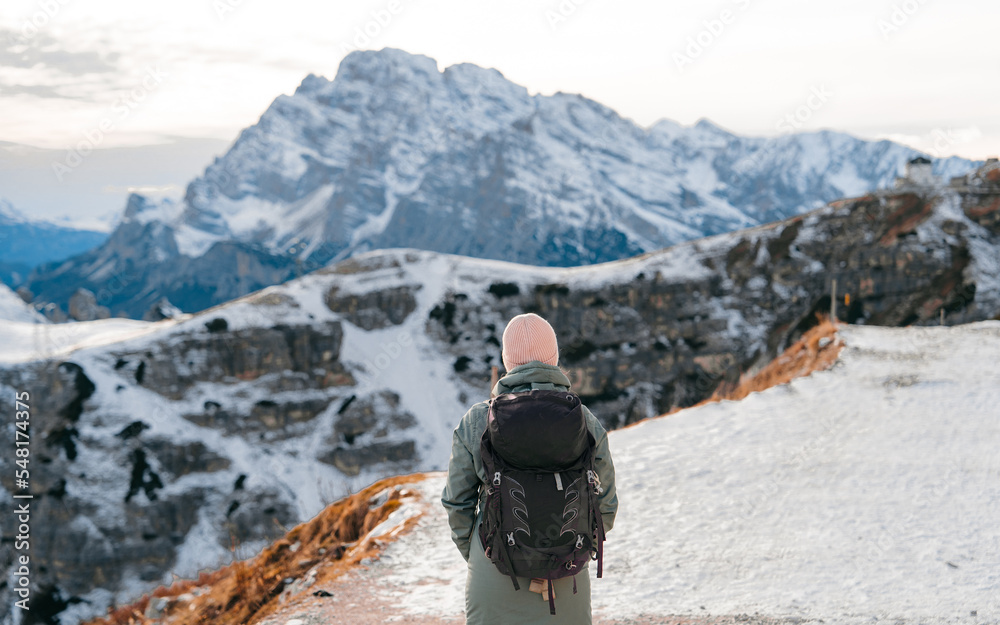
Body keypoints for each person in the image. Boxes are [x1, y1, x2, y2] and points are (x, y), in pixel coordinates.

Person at [441, 312, 619, 625]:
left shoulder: (477, 420)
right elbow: (605, 505)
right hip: (566, 577)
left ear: (508, 361)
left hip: (493, 572)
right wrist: (571, 550)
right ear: (553, 359)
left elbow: (458, 503)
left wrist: (481, 555)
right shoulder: (584, 421)